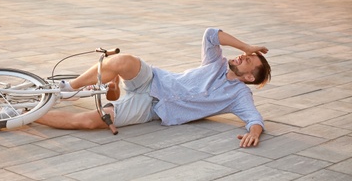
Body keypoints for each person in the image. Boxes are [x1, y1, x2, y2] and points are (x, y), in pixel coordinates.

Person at [35, 28, 271, 148]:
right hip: (154, 79)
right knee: (123, 60)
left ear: (249, 77)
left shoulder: (239, 95)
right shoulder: (215, 62)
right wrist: (247, 45)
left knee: (91, 121)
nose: (241, 57)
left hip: (151, 109)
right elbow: (211, 33)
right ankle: (70, 88)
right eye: (243, 55)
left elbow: (254, 119)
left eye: (247, 60)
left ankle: (24, 117)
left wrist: (254, 133)